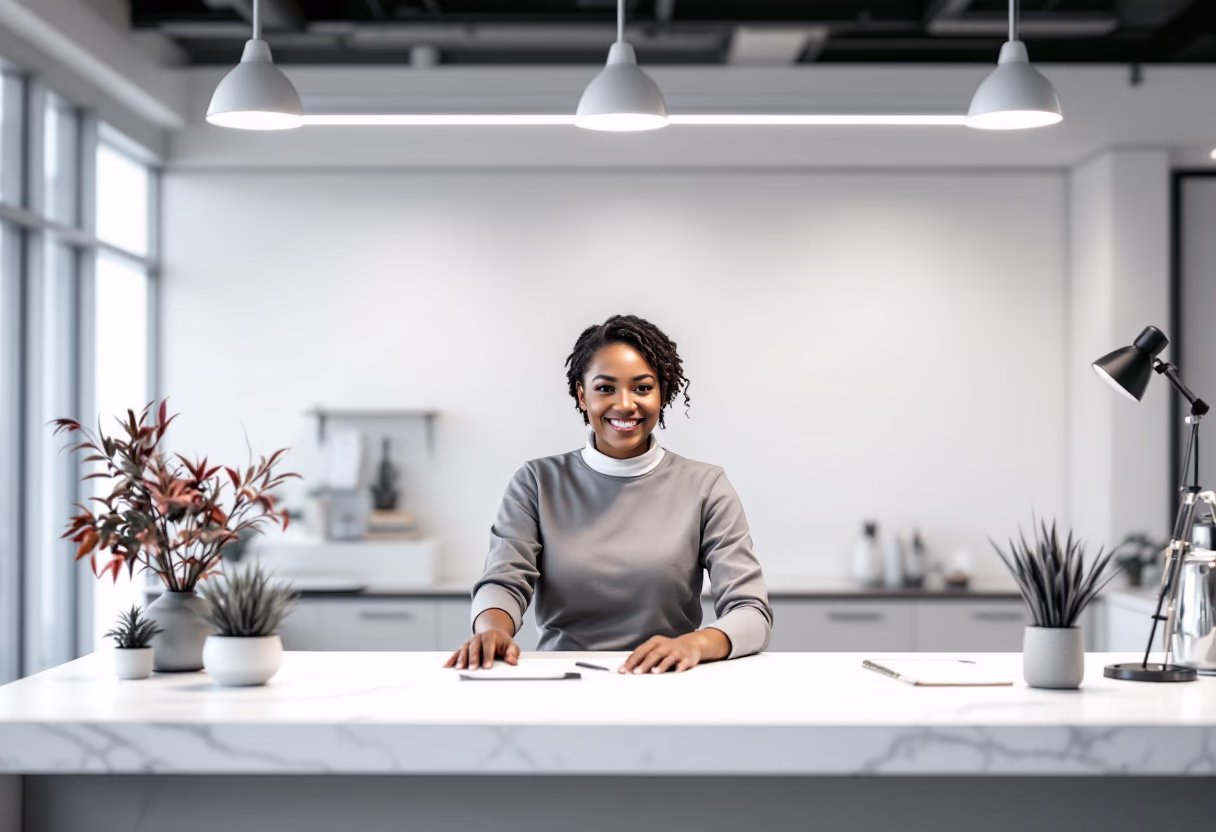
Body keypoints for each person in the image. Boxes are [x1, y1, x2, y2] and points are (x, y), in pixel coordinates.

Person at [445, 314, 772, 674]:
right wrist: (492, 631)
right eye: (605, 388)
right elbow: (504, 581)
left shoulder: (706, 486)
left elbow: (750, 612)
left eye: (643, 388)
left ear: (662, 393)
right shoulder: (536, 482)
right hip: (563, 681)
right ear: (582, 396)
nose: (626, 404)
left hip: (668, 679)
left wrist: (693, 645)